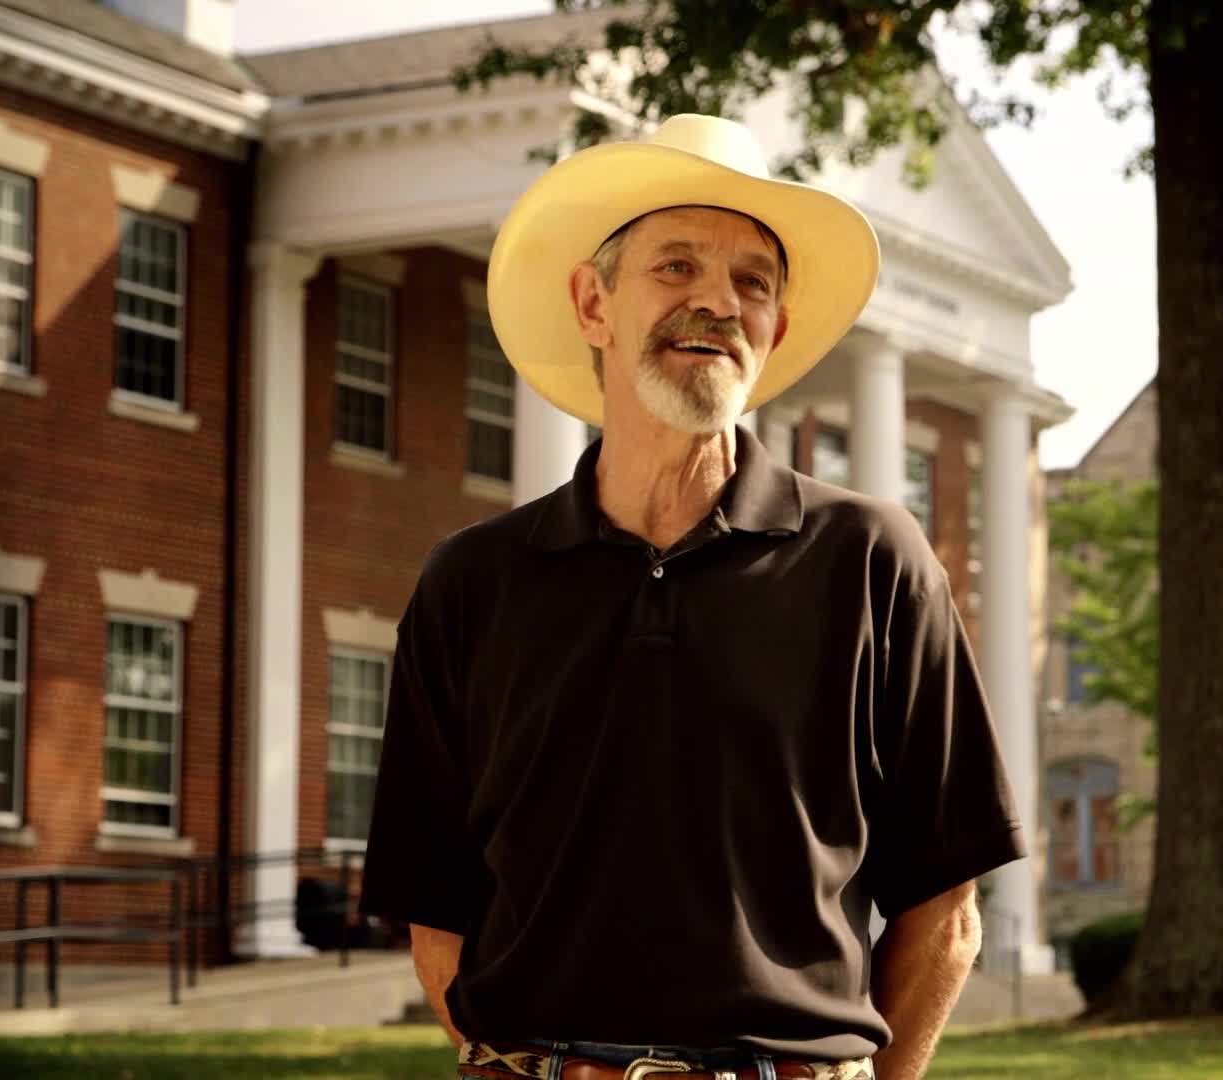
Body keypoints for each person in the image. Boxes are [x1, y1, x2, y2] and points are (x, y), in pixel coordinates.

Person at [358, 114, 1026, 1080]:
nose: (718, 301)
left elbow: (946, 908)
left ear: (774, 332)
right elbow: (437, 912)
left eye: (753, 282)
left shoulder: (874, 560)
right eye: (677, 267)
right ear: (593, 303)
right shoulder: (470, 582)